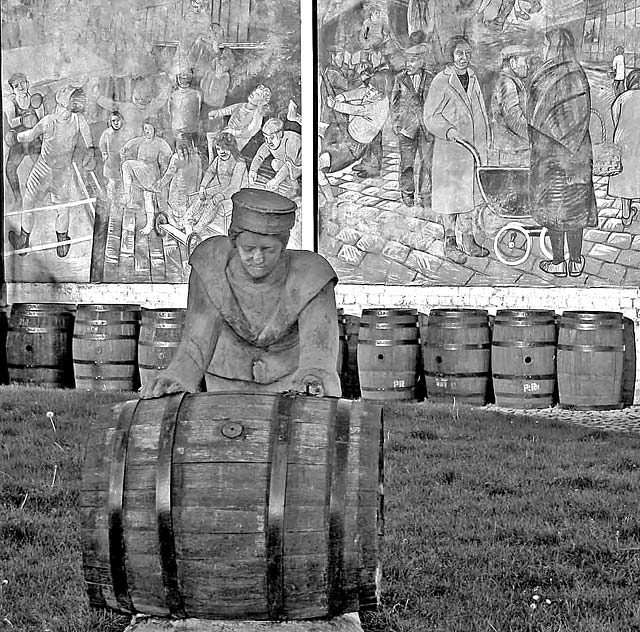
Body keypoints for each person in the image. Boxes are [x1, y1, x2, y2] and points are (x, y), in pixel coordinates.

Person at [140, 188, 341, 398]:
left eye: (268, 250)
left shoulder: (312, 275)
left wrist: (314, 378)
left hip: (289, 381)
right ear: (234, 242)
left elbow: (319, 350)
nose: (258, 258)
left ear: (283, 246)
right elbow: (196, 341)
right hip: (225, 377)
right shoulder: (211, 265)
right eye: (248, 248)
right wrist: (177, 377)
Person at [528, 27, 596, 278]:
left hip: (550, 156)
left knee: (554, 207)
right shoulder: (579, 74)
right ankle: (575, 261)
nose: (544, 49)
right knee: (575, 206)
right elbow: (582, 114)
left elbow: (533, 115)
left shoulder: (542, 76)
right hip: (577, 155)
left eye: (547, 44)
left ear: (554, 46)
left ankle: (558, 262)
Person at [423, 35, 490, 264]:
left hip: (472, 150)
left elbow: (479, 110)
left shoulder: (473, 78)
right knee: (450, 199)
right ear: (451, 55)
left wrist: (484, 139)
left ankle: (469, 240)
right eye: (460, 53)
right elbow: (430, 116)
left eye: (468, 53)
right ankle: (450, 243)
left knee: (469, 197)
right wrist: (450, 131)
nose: (464, 58)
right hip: (451, 151)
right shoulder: (441, 81)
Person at [9, 84, 97, 258]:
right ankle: (62, 246)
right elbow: (89, 143)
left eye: (66, 91)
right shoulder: (79, 120)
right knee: (63, 209)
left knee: (29, 203)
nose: (63, 89)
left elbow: (28, 136)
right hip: (62, 173)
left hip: (43, 169)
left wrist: (13, 137)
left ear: (66, 102)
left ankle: (23, 241)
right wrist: (91, 152)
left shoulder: (49, 121)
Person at [390, 42, 435, 207]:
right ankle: (407, 193)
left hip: (426, 128)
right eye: (407, 61)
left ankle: (426, 195)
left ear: (422, 62)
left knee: (428, 163)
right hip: (407, 128)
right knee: (407, 163)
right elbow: (394, 103)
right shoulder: (400, 79)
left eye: (413, 61)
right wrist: (395, 122)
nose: (408, 65)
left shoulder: (431, 78)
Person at [320, 73, 389, 177]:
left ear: (380, 95)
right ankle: (367, 164)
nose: (368, 92)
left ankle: (371, 168)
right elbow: (361, 92)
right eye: (369, 88)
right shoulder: (375, 95)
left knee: (330, 160)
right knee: (332, 131)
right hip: (354, 133)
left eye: (372, 90)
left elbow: (355, 109)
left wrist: (334, 105)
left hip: (356, 143)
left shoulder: (376, 106)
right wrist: (344, 96)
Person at [184, 131, 248, 236]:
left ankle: (197, 229)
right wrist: (203, 186)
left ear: (231, 147)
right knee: (202, 196)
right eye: (218, 149)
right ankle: (188, 219)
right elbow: (210, 172)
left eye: (225, 148)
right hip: (223, 187)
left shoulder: (239, 162)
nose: (221, 152)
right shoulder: (218, 159)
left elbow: (235, 186)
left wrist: (220, 196)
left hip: (238, 192)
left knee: (214, 201)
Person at [120, 119, 173, 235]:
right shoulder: (142, 140)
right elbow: (131, 143)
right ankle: (149, 224)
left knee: (126, 164)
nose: (146, 131)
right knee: (147, 198)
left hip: (151, 173)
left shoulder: (160, 142)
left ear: (155, 130)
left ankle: (127, 196)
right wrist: (124, 148)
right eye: (145, 129)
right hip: (142, 172)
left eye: (149, 129)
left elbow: (169, 154)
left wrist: (164, 170)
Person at [3, 72, 45, 207]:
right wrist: (23, 119)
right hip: (19, 142)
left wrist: (43, 140)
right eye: (16, 86)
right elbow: (11, 123)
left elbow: (42, 121)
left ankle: (41, 198)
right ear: (13, 89)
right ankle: (18, 199)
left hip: (33, 140)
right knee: (10, 169)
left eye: (23, 83)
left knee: (43, 168)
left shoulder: (36, 100)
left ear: (27, 84)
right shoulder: (11, 104)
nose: (20, 87)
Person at [607, 68, 640, 226]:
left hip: (624, 142)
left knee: (626, 177)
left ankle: (626, 215)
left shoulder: (621, 98)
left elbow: (615, 119)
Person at [490, 44, 531, 166]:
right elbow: (514, 119)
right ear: (513, 63)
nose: (528, 66)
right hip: (512, 152)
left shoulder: (512, 81)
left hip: (515, 149)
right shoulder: (508, 83)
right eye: (526, 61)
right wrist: (534, 137)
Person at [154, 132, 203, 230]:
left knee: (175, 216)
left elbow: (168, 175)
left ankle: (177, 230)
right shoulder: (197, 158)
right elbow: (199, 176)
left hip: (177, 193)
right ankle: (184, 228)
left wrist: (159, 185)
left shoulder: (176, 158)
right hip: (191, 194)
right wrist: (197, 191)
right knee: (186, 215)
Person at [208, 84, 272, 152]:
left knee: (226, 151)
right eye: (254, 91)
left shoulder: (257, 115)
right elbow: (228, 110)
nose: (253, 93)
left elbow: (249, 131)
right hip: (228, 132)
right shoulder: (241, 105)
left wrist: (233, 132)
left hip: (238, 139)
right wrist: (217, 113)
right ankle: (212, 159)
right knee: (212, 140)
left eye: (257, 94)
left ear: (261, 102)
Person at [248, 118, 302, 197]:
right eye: (266, 138)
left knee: (284, 170)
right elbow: (259, 156)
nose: (268, 141)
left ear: (280, 134)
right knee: (275, 163)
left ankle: (297, 190)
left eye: (271, 138)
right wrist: (253, 170)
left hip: (304, 164)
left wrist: (276, 180)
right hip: (290, 165)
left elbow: (289, 165)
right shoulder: (268, 143)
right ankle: (296, 188)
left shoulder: (292, 141)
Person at [167, 67, 203, 148]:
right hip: (179, 129)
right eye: (182, 75)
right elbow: (170, 111)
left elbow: (198, 111)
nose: (184, 77)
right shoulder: (173, 95)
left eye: (186, 75)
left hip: (190, 129)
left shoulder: (196, 94)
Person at [98, 111, 127, 199]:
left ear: (121, 120)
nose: (116, 123)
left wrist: (125, 152)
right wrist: (104, 153)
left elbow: (130, 145)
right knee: (112, 182)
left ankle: (122, 199)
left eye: (118, 120)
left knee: (122, 181)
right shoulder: (107, 133)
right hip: (111, 161)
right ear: (110, 122)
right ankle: (111, 199)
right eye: (113, 121)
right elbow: (101, 144)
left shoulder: (125, 133)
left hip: (122, 160)